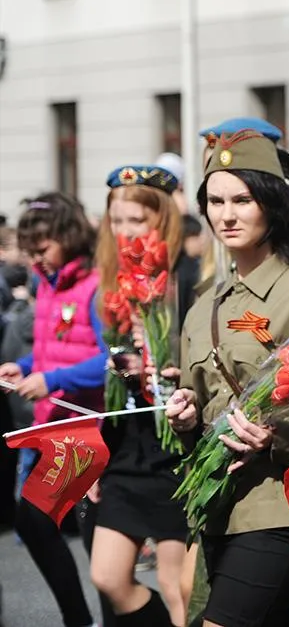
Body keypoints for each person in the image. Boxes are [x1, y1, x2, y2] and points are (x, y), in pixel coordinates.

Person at [165, 129, 289, 627]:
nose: (226, 214)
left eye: (243, 199)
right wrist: (185, 419)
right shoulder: (202, 306)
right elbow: (202, 405)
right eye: (215, 201)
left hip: (280, 505)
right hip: (218, 506)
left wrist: (276, 434)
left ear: (273, 205)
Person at [86, 164, 190, 626]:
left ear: (161, 221)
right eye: (116, 221)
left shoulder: (185, 280)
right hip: (127, 447)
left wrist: (168, 367)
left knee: (176, 586)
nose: (125, 232)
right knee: (107, 577)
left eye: (137, 221)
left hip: (174, 449)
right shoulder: (110, 281)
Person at [0, 193, 105, 627]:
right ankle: (79, 619)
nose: (36, 260)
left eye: (42, 250)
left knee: (100, 546)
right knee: (35, 523)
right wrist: (22, 367)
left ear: (68, 237)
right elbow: (51, 352)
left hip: (90, 430)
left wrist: (51, 380)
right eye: (31, 252)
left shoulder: (96, 284)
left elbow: (111, 360)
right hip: (55, 428)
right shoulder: (47, 283)